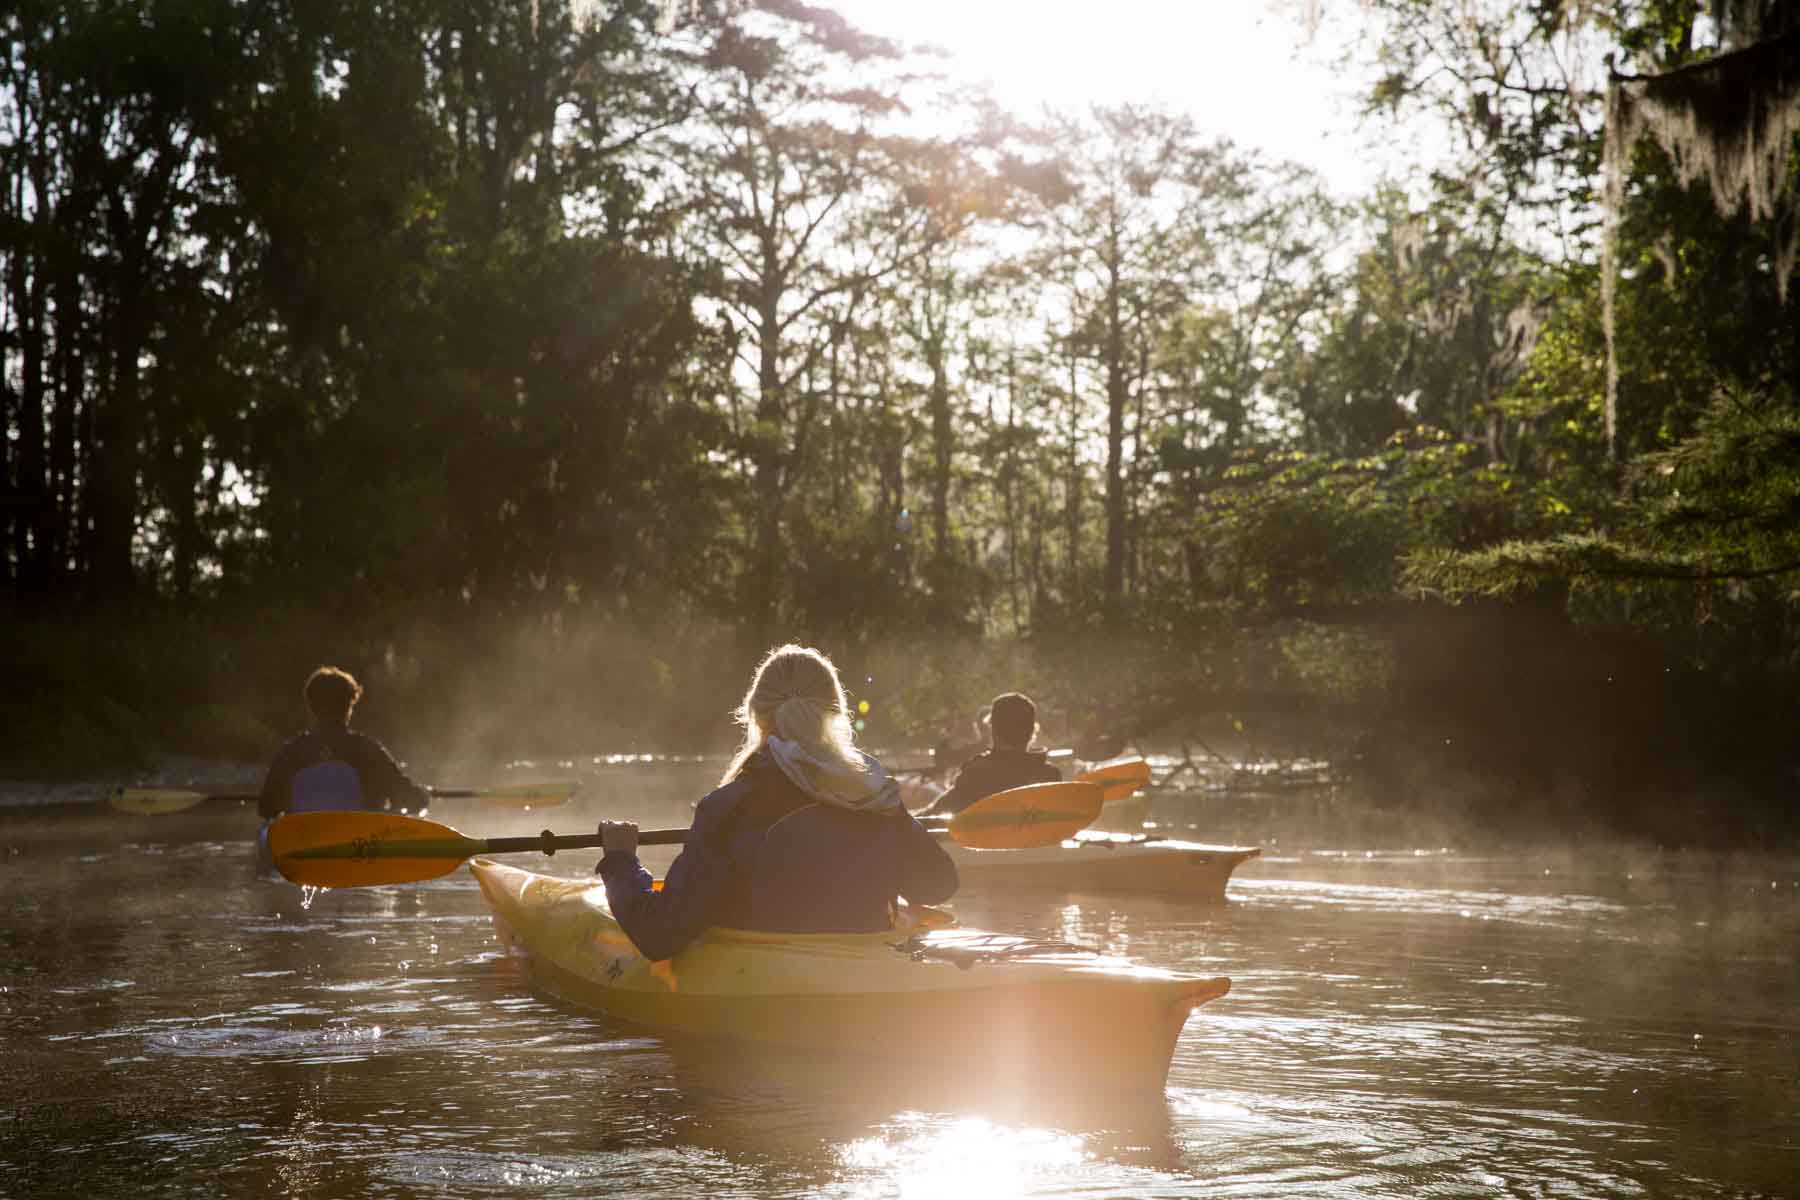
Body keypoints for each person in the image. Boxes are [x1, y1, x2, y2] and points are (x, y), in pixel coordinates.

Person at [596, 644, 959, 961]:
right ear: (834, 713)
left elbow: (660, 934)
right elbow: (938, 885)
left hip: (771, 981)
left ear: (755, 716)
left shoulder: (730, 807)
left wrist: (621, 860)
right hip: (865, 969)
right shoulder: (873, 796)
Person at [258, 666, 430, 819]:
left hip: (303, 845)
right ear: (349, 707)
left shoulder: (291, 752)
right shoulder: (369, 750)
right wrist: (422, 795)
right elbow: (410, 799)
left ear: (311, 707)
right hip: (360, 846)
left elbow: (266, 808)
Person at [920, 692, 1062, 817]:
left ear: (992, 731)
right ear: (1032, 732)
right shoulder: (1051, 776)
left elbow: (935, 813)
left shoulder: (977, 774)